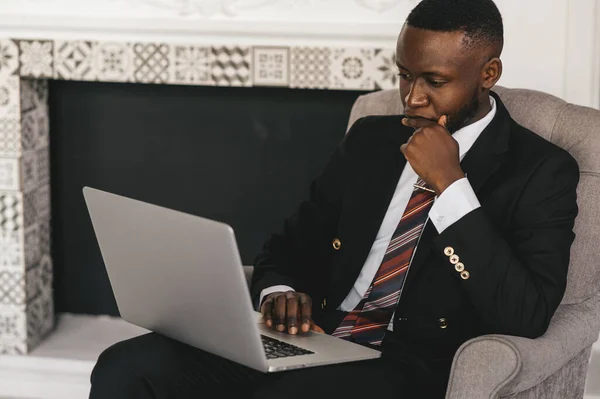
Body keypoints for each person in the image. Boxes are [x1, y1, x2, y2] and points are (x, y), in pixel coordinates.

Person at [89, 0, 580, 397]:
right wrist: (280, 294)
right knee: (127, 367)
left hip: (408, 361)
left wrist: (451, 186)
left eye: (434, 81)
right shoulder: (371, 139)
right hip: (316, 335)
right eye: (404, 74)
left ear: (488, 72)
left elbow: (526, 314)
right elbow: (289, 246)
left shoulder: (542, 170)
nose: (411, 98)